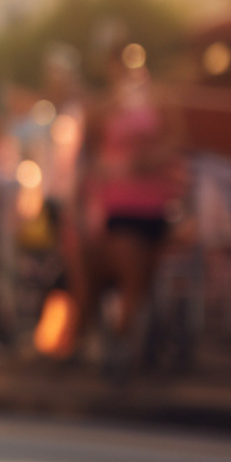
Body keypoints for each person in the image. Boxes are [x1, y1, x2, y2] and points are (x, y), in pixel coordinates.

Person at [88, 41, 186, 378]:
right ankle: (119, 346)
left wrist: (151, 159)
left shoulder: (160, 99)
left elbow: (177, 139)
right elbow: (91, 156)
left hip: (157, 203)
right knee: (132, 280)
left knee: (146, 282)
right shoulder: (104, 106)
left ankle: (135, 349)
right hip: (120, 205)